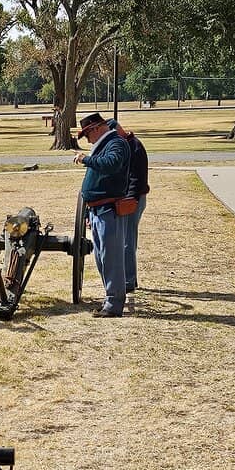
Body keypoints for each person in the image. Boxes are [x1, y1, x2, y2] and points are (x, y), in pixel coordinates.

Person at [73, 111, 130, 317]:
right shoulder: (104, 145)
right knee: (101, 256)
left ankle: (114, 304)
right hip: (97, 209)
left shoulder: (116, 144)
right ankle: (110, 298)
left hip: (109, 209)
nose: (87, 140)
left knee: (111, 257)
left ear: (96, 129)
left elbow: (112, 164)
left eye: (87, 135)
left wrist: (87, 160)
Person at [107, 118, 149, 299]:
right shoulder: (124, 146)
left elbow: (137, 178)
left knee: (127, 241)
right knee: (125, 239)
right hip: (124, 199)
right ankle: (129, 278)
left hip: (133, 199)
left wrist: (130, 200)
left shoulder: (134, 147)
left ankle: (129, 281)